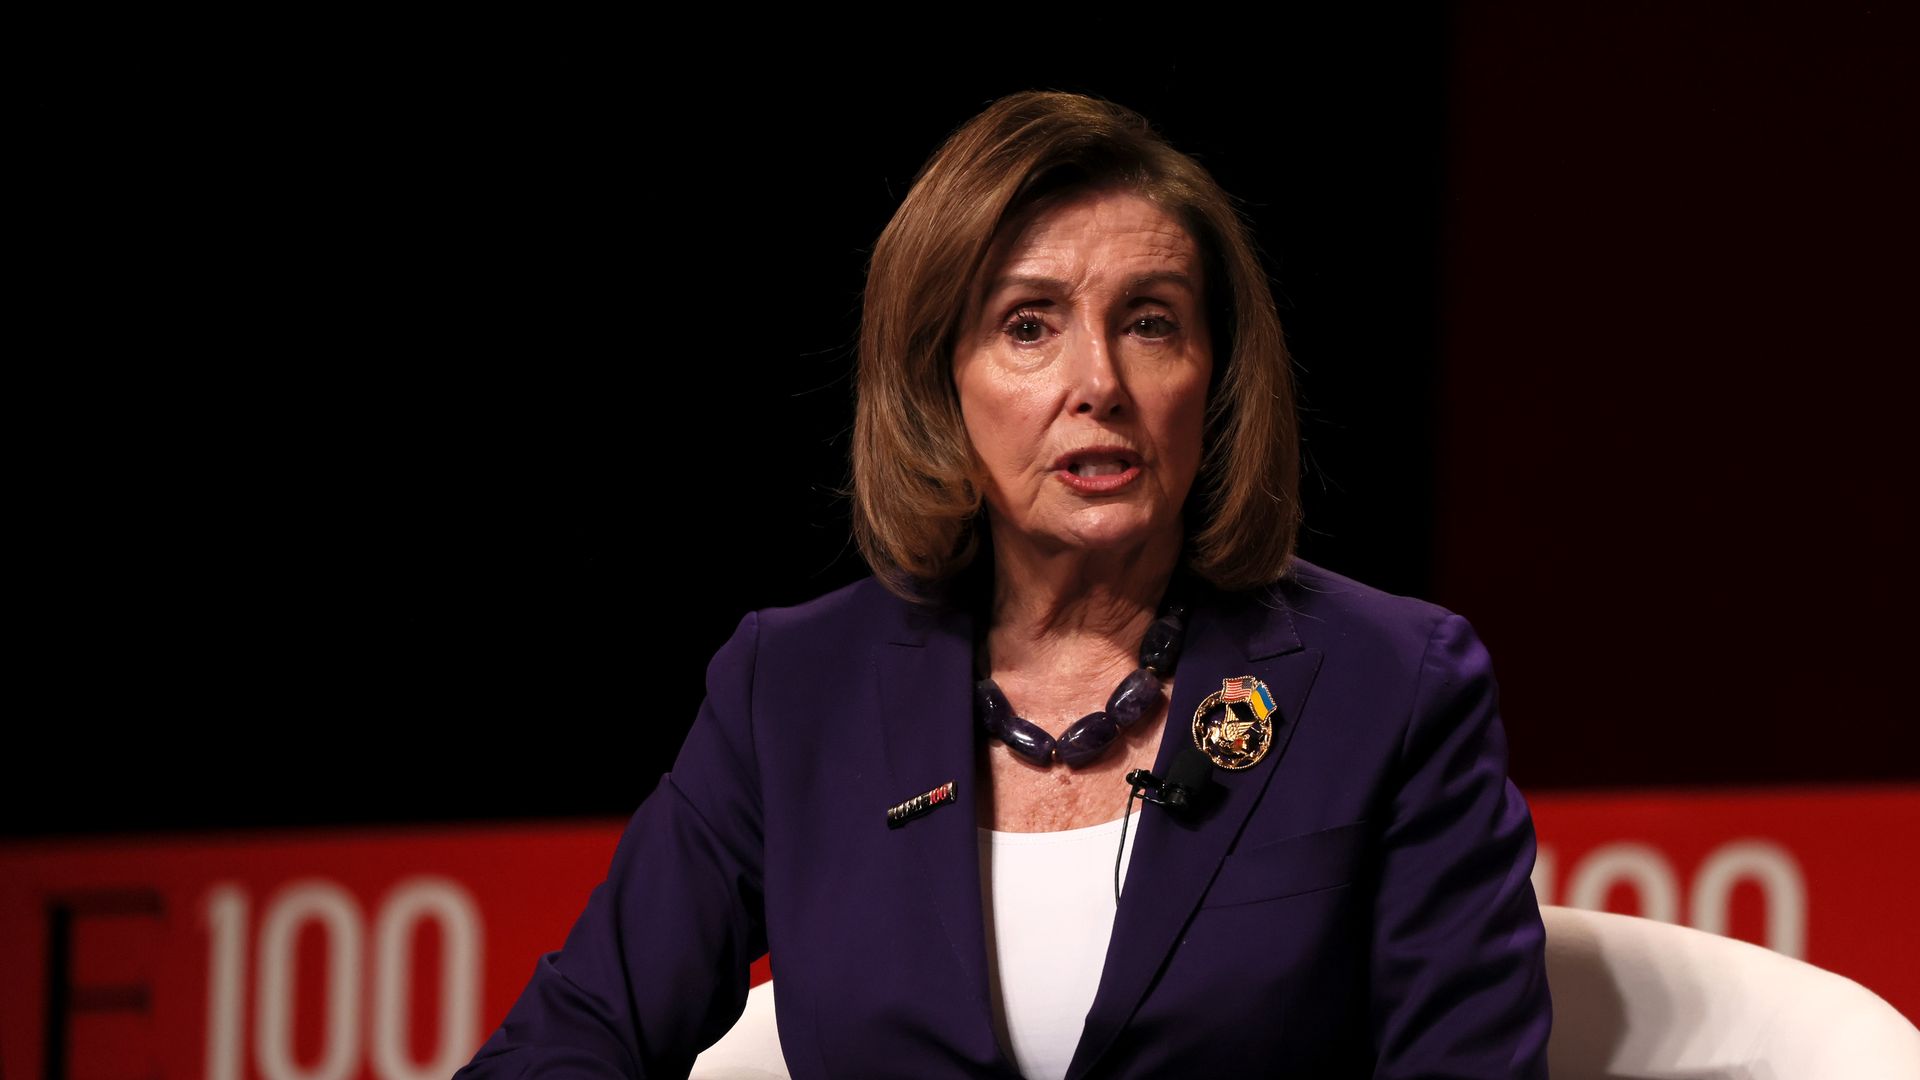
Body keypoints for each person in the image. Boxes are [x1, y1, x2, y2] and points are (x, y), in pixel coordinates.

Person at [458, 90, 1551, 1078]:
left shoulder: (1390, 684)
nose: (1100, 383)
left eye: (1151, 321)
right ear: (942, 382)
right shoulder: (791, 689)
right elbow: (570, 1044)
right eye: (1029, 325)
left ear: (1212, 376)